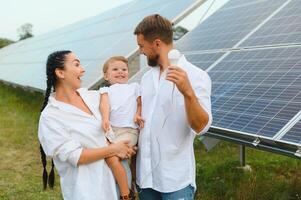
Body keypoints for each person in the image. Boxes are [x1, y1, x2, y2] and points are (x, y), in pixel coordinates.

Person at [38, 50, 136, 200]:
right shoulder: (51, 116)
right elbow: (76, 156)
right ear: (60, 73)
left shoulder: (93, 97)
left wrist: (127, 146)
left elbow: (120, 118)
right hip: (90, 191)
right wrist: (114, 149)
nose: (83, 69)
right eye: (76, 65)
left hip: (120, 183)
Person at [133, 14, 212, 199]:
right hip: (145, 179)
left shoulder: (196, 76)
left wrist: (188, 92)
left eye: (141, 46)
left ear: (157, 44)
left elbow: (201, 127)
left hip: (175, 181)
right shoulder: (146, 78)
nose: (140, 51)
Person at [99, 56, 144, 199]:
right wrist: (105, 118)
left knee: (112, 157)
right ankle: (122, 189)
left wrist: (137, 114)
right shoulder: (105, 90)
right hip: (112, 131)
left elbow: (139, 103)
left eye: (124, 69)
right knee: (117, 160)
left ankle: (126, 194)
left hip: (129, 130)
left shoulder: (134, 87)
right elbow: (104, 105)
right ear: (106, 75)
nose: (120, 72)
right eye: (115, 69)